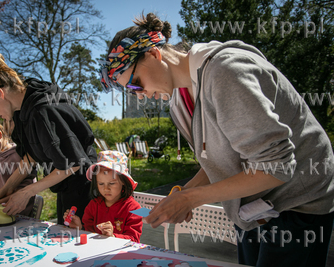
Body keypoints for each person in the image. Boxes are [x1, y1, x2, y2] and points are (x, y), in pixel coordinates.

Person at [98, 12, 334, 267]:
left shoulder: (224, 72)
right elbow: (218, 162)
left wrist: (192, 199)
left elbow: (276, 167)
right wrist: (184, 192)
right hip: (254, 209)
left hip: (298, 204)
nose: (141, 95)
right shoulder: (180, 103)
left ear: (154, 55)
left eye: (135, 84)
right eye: (133, 92)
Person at [0, 52, 97, 224]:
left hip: (84, 185)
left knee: (76, 239)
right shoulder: (21, 110)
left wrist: (26, 193)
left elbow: (73, 163)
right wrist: (4, 190)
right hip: (64, 183)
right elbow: (31, 156)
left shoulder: (43, 111)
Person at [64, 150, 142, 243]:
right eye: (101, 183)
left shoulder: (134, 209)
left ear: (124, 182)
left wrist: (113, 236)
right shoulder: (93, 205)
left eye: (112, 183)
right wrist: (79, 227)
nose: (106, 188)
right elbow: (89, 233)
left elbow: (134, 240)